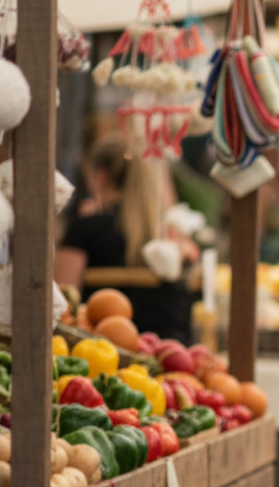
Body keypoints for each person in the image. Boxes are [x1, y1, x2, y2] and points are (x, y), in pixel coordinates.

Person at [55, 136, 197, 342]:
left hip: (104, 354)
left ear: (100, 176)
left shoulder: (86, 230)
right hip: (169, 350)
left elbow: (61, 300)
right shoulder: (170, 237)